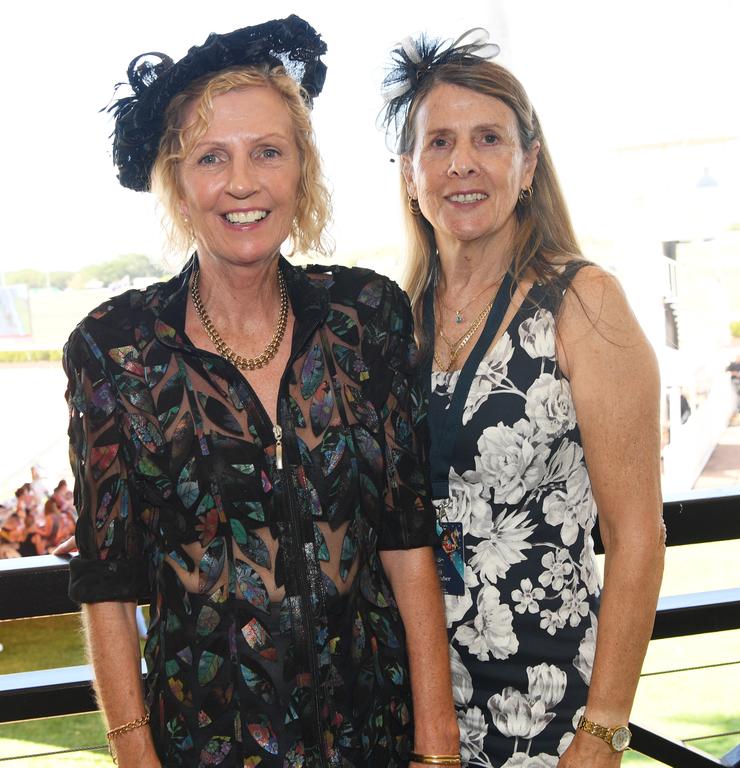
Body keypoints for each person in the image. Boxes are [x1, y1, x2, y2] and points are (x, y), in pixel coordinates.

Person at [63, 16, 458, 768]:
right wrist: (135, 759)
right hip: (204, 747)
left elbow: (409, 539)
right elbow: (106, 582)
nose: (242, 183)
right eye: (212, 157)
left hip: (372, 739)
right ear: (178, 184)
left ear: (300, 171)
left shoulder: (367, 317)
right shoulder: (114, 349)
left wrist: (437, 746)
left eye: (268, 153)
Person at [380, 30, 666, 767]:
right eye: (438, 142)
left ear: (528, 163)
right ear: (409, 173)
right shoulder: (391, 321)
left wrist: (602, 731)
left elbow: (637, 537)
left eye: (488, 139)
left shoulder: (583, 303)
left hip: (543, 711)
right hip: (409, 711)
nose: (462, 162)